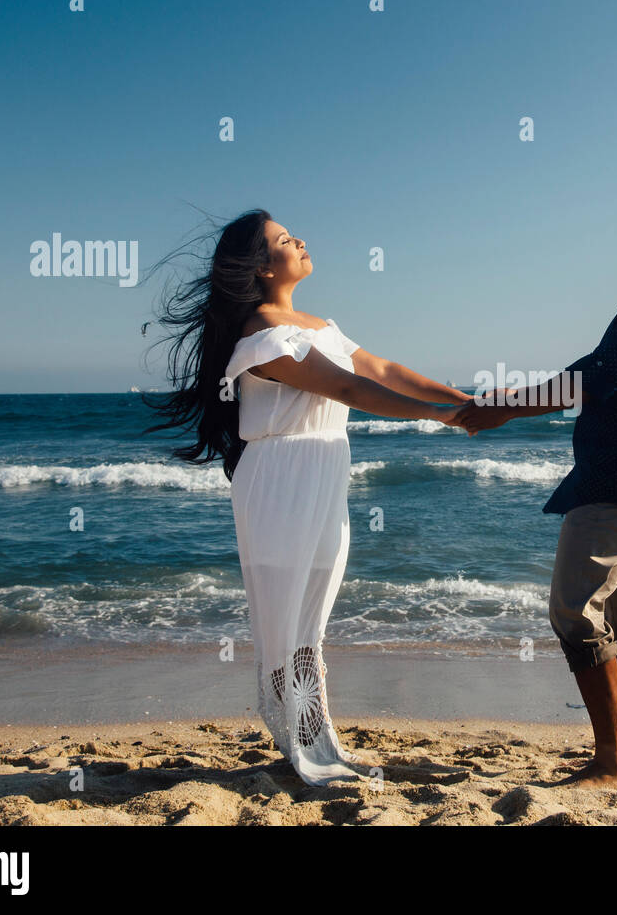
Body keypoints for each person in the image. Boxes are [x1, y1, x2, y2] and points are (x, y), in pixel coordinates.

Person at [143, 209, 469, 784]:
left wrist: (463, 401)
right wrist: (443, 417)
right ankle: (298, 741)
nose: (301, 242)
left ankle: (315, 736)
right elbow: (345, 386)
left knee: (312, 615)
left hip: (323, 471)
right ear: (264, 268)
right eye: (285, 240)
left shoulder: (320, 325)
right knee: (284, 616)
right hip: (280, 480)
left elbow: (383, 368)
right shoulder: (262, 336)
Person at [455, 184, 617, 789]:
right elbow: (600, 375)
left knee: (574, 614)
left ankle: (611, 763)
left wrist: (503, 409)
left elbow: (592, 379)